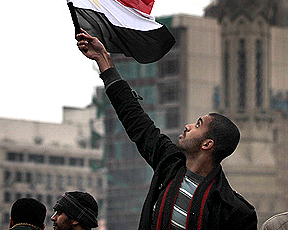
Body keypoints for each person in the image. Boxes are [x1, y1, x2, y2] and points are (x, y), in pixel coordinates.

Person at [76, 29, 257, 230]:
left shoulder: (235, 212)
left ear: (208, 144)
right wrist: (103, 59)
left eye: (198, 125)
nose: (187, 126)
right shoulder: (168, 163)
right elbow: (134, 117)